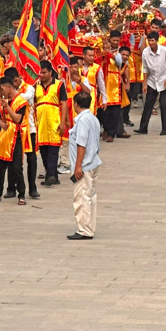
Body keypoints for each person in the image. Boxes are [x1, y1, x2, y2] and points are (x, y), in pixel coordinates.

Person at [66, 90, 101, 241]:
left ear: (75, 104)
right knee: (90, 197)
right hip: (93, 162)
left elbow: (81, 144)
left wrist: (78, 166)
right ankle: (89, 227)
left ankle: (84, 230)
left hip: (85, 165)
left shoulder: (82, 121)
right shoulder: (93, 118)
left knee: (82, 198)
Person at [0, 77, 29, 205]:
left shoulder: (21, 101)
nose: (1, 91)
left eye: (2, 89)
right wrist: (1, 123)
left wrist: (7, 108)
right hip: (5, 135)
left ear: (9, 87)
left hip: (16, 135)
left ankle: (21, 194)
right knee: (0, 167)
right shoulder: (4, 101)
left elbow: (17, 118)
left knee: (17, 167)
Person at [35, 61, 68, 186]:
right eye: (40, 72)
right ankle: (51, 173)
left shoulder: (59, 85)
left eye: (44, 72)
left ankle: (51, 175)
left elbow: (63, 103)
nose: (42, 75)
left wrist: (63, 122)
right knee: (43, 150)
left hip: (54, 120)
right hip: (41, 122)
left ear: (50, 72)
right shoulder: (36, 85)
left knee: (53, 150)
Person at [136, 31, 166, 135]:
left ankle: (165, 128)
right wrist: (144, 83)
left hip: (164, 79)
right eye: (149, 40)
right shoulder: (145, 52)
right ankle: (143, 128)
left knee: (163, 103)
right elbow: (145, 68)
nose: (151, 43)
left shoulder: (165, 51)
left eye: (152, 40)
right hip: (152, 80)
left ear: (157, 41)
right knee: (148, 103)